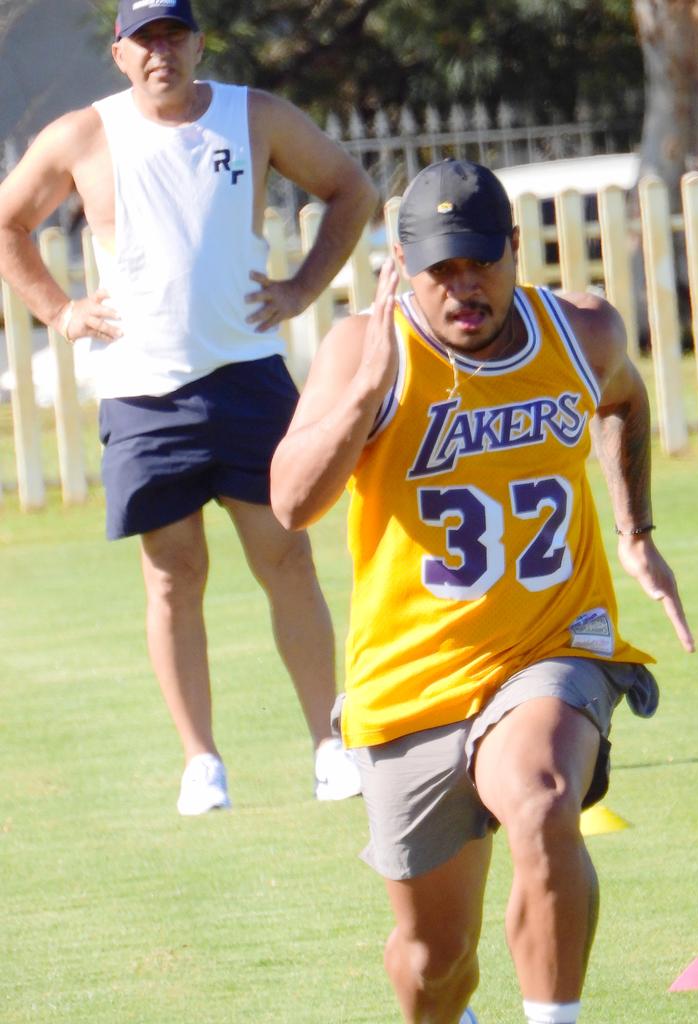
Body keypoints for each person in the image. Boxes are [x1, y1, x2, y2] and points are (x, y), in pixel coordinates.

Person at [270, 158, 695, 1024]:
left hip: (551, 645)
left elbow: (624, 402)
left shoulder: (581, 331)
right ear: (400, 264)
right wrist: (364, 393)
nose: (465, 288)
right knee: (436, 961)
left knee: (541, 800)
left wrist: (636, 533)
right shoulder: (361, 348)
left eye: (481, 263)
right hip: (412, 677)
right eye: (440, 270)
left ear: (513, 249)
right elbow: (290, 503)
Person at [0, 0, 378, 814]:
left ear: (199, 42)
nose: (160, 52)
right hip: (142, 393)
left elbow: (350, 188)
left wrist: (303, 286)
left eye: (174, 35)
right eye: (144, 40)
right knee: (173, 575)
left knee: (287, 559)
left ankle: (330, 746)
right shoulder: (82, 134)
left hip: (247, 375)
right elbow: (8, 223)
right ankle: (201, 762)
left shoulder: (257, 116)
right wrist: (63, 312)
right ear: (120, 54)